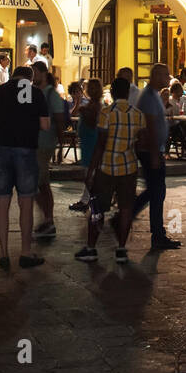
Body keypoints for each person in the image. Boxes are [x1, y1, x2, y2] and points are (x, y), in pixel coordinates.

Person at [0, 65, 49, 269]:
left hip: (2, 149)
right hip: (26, 150)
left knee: (2, 202)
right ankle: (25, 252)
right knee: (25, 203)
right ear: (30, 78)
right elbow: (45, 125)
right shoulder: (36, 93)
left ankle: (4, 253)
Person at [76, 76, 143, 264]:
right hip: (129, 167)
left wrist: (91, 170)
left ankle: (91, 248)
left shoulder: (107, 113)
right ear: (128, 93)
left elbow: (100, 144)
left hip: (107, 166)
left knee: (97, 209)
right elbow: (140, 142)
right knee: (126, 209)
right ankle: (121, 248)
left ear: (112, 92)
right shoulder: (137, 114)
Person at [131, 64, 182, 251]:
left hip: (154, 149)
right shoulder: (149, 97)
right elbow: (150, 126)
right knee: (156, 191)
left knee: (155, 191)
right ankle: (155, 233)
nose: (169, 78)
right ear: (156, 76)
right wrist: (154, 153)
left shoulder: (153, 95)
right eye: (165, 75)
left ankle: (132, 219)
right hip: (150, 150)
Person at [30, 61, 63, 239]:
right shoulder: (37, 92)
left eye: (34, 72)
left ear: (43, 73)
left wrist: (59, 145)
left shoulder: (51, 94)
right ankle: (46, 219)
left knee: (37, 183)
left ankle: (48, 220)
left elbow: (59, 119)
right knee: (41, 183)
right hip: (36, 143)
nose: (33, 75)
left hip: (44, 143)